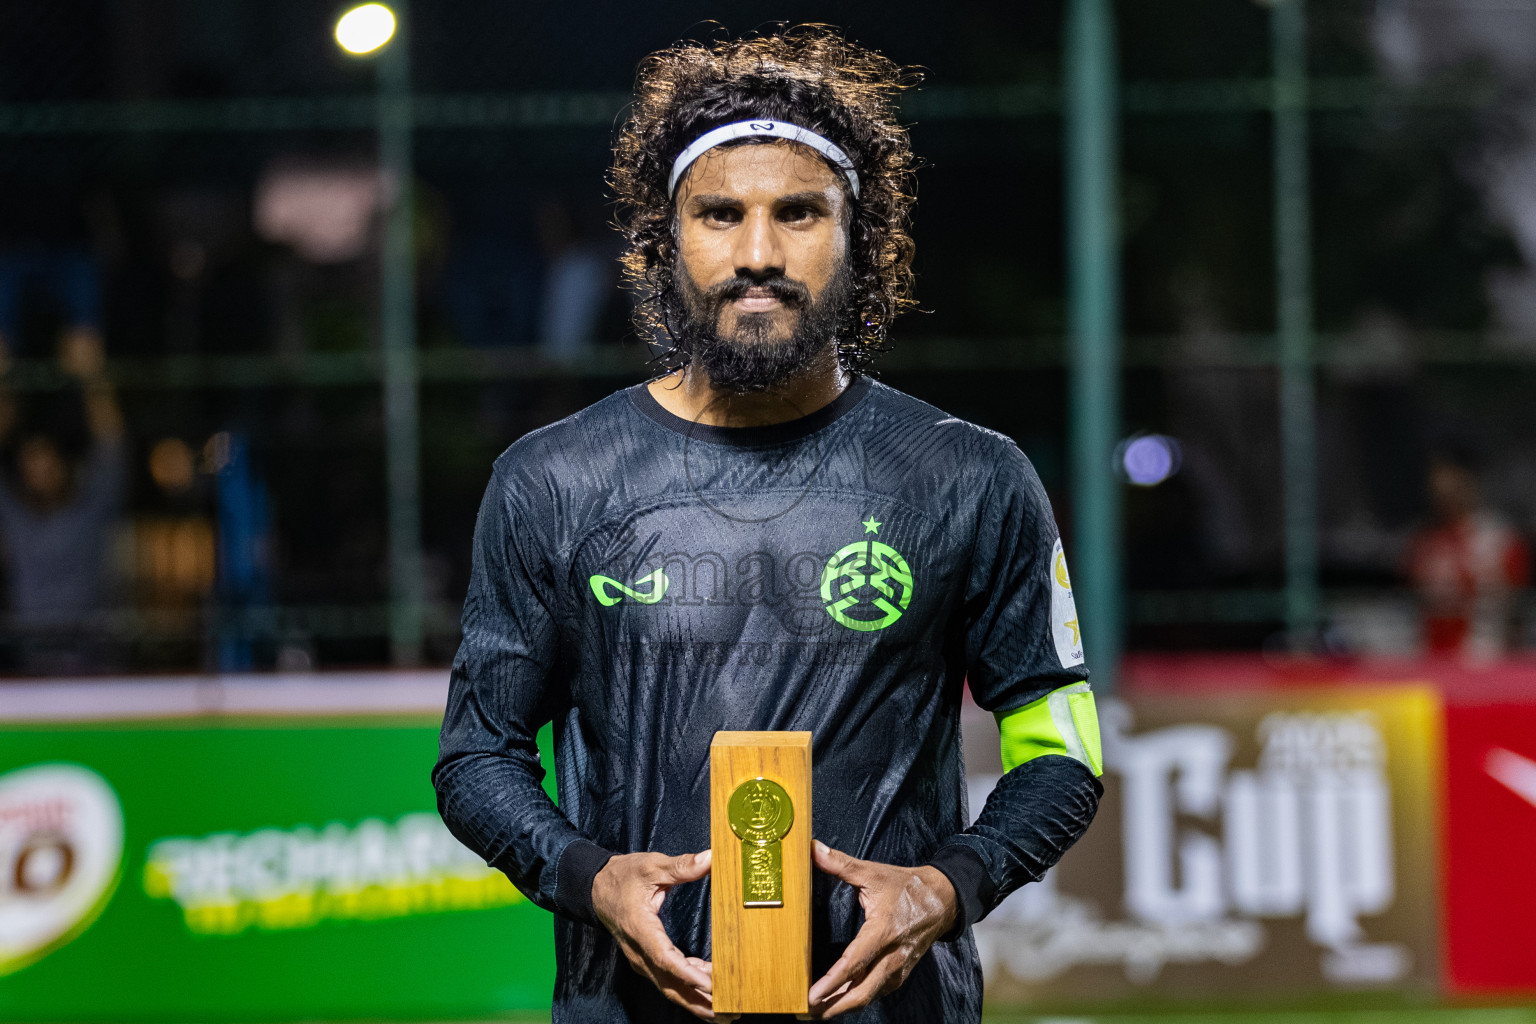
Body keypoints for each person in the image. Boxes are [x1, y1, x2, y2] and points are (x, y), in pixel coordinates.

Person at [434, 26, 1102, 1023]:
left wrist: (953, 882)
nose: (757, 253)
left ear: (860, 239)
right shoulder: (554, 480)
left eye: (798, 213)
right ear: (665, 244)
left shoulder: (970, 475)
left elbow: (1061, 743)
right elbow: (476, 753)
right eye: (720, 214)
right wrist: (587, 876)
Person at [0, 329, 127, 674]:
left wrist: (93, 377)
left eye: (46, 464)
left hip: (90, 658)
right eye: (30, 466)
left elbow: (111, 446)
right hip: (30, 661)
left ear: (63, 465)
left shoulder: (89, 507)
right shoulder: (16, 515)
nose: (38, 474)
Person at [1405, 443, 1531, 658]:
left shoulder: (1499, 540)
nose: (1442, 487)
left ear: (1470, 480)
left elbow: (1515, 612)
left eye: (1450, 477)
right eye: (1436, 478)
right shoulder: (1424, 541)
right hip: (1432, 660)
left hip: (1485, 662)